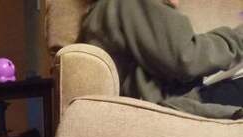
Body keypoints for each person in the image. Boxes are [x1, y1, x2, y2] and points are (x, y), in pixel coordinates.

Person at [79, 0, 243, 119]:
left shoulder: (116, 8)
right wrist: (238, 38)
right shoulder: (132, 4)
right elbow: (187, 59)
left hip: (179, 99)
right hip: (169, 107)